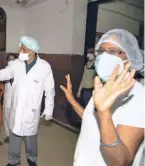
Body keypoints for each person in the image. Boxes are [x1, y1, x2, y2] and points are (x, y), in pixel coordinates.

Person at [60, 29, 144, 166]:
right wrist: (71, 100)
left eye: (112, 51)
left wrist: (105, 114)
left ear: (129, 57)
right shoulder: (103, 87)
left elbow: (121, 161)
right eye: (101, 51)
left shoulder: (139, 97)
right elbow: (91, 119)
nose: (105, 56)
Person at [0, 36, 55, 166]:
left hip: (31, 109)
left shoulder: (44, 67)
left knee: (30, 137)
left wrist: (49, 109)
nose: (21, 51)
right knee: (14, 135)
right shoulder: (16, 64)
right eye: (21, 48)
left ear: (33, 51)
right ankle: (13, 160)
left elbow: (50, 90)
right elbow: (5, 73)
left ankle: (31, 159)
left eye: (24, 49)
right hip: (17, 107)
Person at [3, 53, 17, 143]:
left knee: (15, 117)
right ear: (7, 61)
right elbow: (3, 79)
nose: (11, 61)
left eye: (13, 60)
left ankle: (15, 135)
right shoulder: (5, 70)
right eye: (9, 60)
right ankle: (8, 134)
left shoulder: (21, 71)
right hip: (7, 97)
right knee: (6, 117)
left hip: (16, 98)